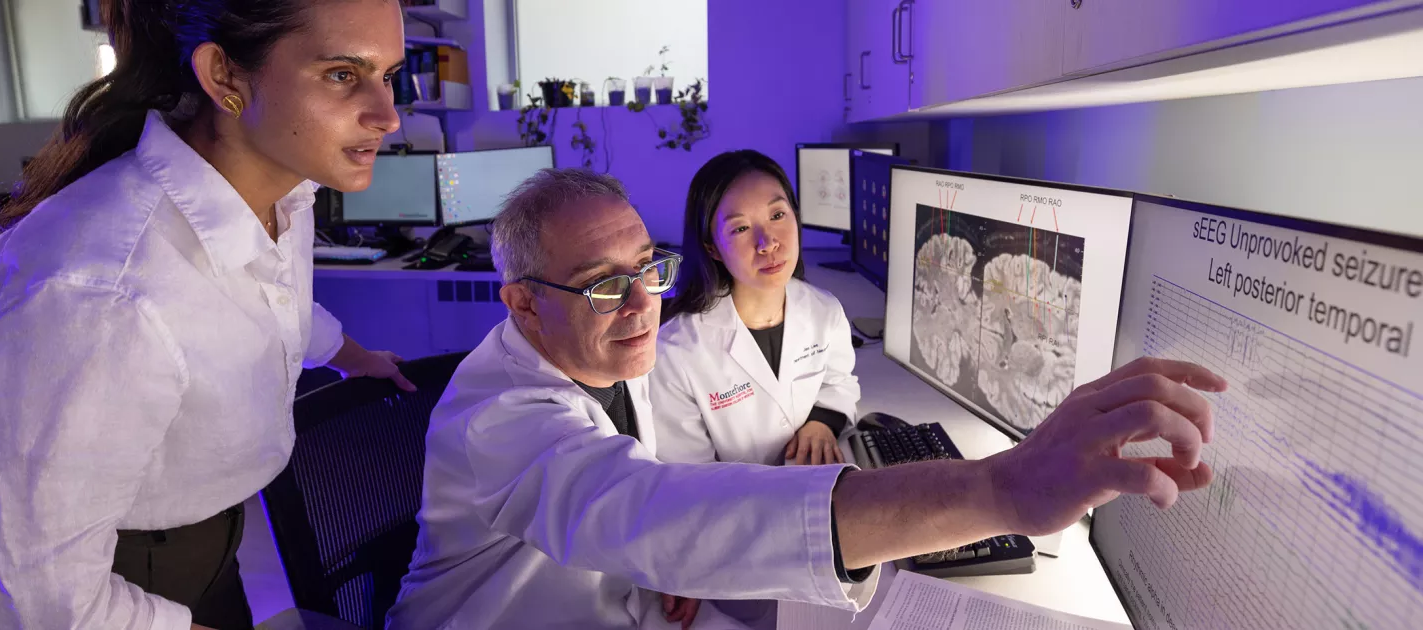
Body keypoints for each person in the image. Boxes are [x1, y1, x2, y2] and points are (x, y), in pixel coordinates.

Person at [387, 168, 1226, 629]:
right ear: (523, 302)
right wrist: (1000, 487)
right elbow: (641, 506)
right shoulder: (495, 418)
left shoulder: (609, 350)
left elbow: (668, 486)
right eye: (605, 287)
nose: (645, 304)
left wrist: (681, 560)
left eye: (649, 267)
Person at [0, 1, 415, 629]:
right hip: (119, 576)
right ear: (225, 78)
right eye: (342, 75)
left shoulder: (282, 191)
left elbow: (269, 300)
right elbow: (43, 601)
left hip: (217, 544)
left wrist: (356, 358)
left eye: (389, 75)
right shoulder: (103, 296)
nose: (389, 117)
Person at [654, 150, 858, 468]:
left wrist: (822, 423)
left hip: (817, 486)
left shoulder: (825, 312)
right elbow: (689, 478)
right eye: (740, 229)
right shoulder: (677, 350)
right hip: (736, 510)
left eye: (777, 216)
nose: (767, 243)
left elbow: (839, 382)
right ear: (712, 249)